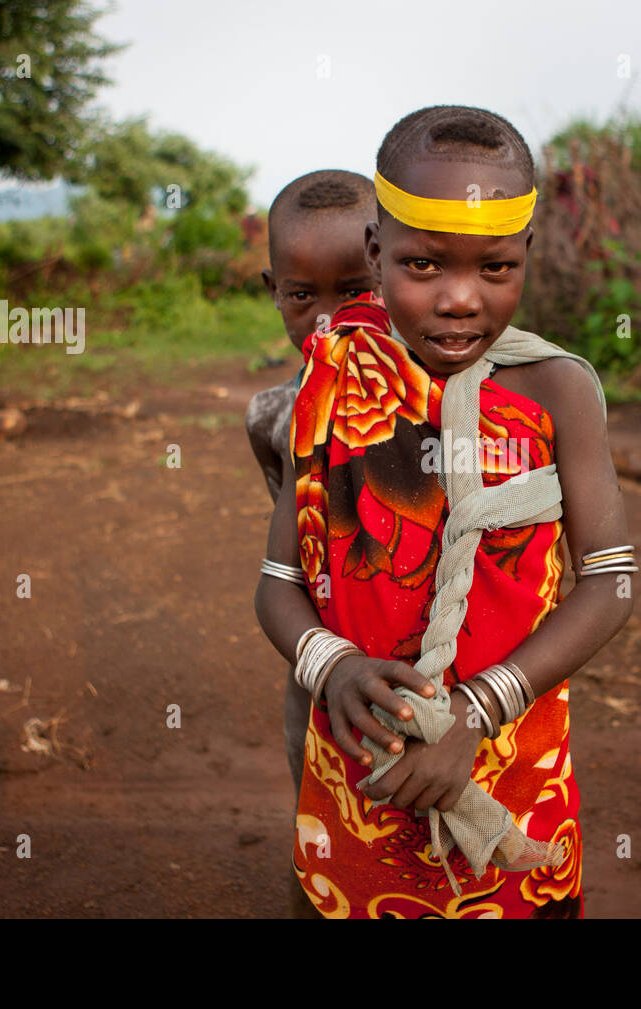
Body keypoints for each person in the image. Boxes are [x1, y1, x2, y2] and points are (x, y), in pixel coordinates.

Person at [255, 105, 635, 918]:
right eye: (424, 265)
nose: (461, 301)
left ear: (527, 255)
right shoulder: (332, 384)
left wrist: (477, 709)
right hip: (362, 758)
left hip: (510, 753)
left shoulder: (557, 390)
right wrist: (336, 668)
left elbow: (611, 583)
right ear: (375, 251)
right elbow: (278, 583)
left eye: (494, 269)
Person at [241, 170, 376, 914]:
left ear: (392, 264)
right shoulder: (274, 417)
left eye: (354, 289)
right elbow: (285, 569)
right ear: (272, 287)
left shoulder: (454, 407)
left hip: (441, 672)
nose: (326, 321)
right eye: (301, 295)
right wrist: (326, 664)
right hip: (320, 668)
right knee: (323, 820)